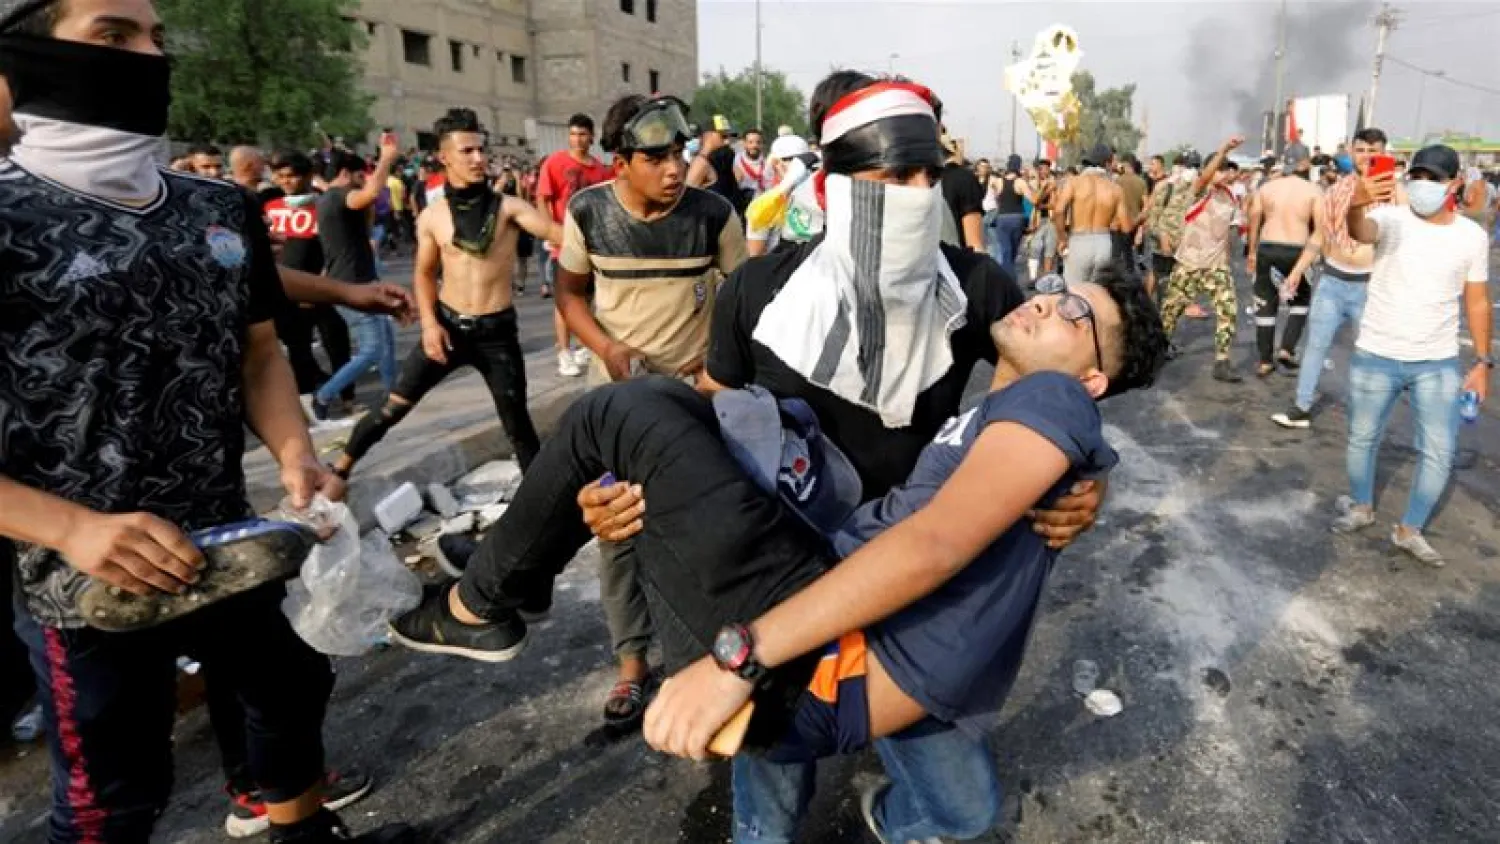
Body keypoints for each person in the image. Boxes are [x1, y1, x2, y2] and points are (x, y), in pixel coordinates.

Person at [384, 262, 1165, 844]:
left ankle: (479, 605)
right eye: (862, 166)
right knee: (635, 415)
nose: (1044, 296)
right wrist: (613, 496)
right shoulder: (759, 286)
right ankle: (489, 598)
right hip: (818, 573)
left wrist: (738, 656)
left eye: (1071, 308)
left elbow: (943, 535)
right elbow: (716, 419)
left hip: (850, 616)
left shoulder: (970, 294)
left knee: (955, 807)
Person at [0, 1, 411, 841]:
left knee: (289, 690)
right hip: (84, 583)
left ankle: (301, 830)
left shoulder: (218, 207)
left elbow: (259, 353)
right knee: (113, 801)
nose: (148, 57)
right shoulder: (9, 217)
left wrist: (296, 454)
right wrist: (73, 529)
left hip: (228, 544)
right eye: (115, 36)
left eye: (156, 39)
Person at [327, 108, 556, 489]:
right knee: (390, 409)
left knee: (517, 425)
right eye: (467, 151)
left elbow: (555, 231)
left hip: (497, 333)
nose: (479, 159)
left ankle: (543, 508)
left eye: (481, 150)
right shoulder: (433, 216)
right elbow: (422, 273)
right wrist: (430, 326)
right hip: (447, 329)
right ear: (445, 156)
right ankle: (339, 471)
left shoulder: (510, 208)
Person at [1330, 144, 1491, 566]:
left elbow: (1477, 301)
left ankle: (1410, 529)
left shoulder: (1471, 237)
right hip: (1375, 355)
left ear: (1454, 183)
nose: (1422, 185)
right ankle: (1362, 507)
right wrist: (1355, 203)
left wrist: (1482, 362)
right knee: (1363, 438)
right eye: (1415, 176)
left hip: (1435, 363)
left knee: (1440, 450)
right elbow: (1359, 231)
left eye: (1433, 178)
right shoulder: (1390, 219)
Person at [1270, 128, 1393, 429]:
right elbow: (1321, 234)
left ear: (1384, 153)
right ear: (1351, 151)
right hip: (1332, 281)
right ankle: (1301, 407)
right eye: (1361, 149)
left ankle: (1363, 416)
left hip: (1369, 285)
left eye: (1373, 150)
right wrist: (1298, 271)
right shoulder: (1337, 190)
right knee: (1315, 347)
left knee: (1367, 355)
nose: (1367, 156)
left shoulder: (1393, 193)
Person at [310, 145, 400, 420]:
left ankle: (395, 395)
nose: (366, 182)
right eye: (362, 176)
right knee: (372, 349)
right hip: (354, 285)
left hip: (359, 280)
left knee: (386, 340)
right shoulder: (338, 197)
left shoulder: (329, 199)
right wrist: (386, 158)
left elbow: (366, 209)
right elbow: (370, 194)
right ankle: (324, 396)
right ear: (346, 174)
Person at [1158, 135, 1248, 383]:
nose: (1225, 175)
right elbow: (1206, 176)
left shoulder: (1229, 198)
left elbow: (1227, 234)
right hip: (1188, 263)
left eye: (1227, 171)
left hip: (1216, 267)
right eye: (1221, 170)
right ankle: (1158, 350)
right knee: (1170, 311)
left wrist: (1227, 261)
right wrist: (1222, 149)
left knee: (1228, 311)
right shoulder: (1198, 191)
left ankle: (1222, 360)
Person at [265, 151, 354, 401]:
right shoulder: (271, 207)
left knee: (336, 344)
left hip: (322, 290)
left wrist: (322, 285)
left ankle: (347, 397)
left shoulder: (324, 206)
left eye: (291, 176)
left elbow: (334, 248)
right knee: (298, 348)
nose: (285, 181)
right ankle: (308, 399)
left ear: (307, 177)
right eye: (280, 176)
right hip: (287, 292)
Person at [535, 112, 613, 377]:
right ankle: (563, 351)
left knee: (588, 299)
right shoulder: (555, 163)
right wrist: (549, 232)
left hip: (591, 245)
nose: (577, 139)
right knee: (565, 301)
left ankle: (582, 346)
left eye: (582, 134)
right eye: (573, 134)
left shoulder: (600, 170)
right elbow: (543, 199)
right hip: (563, 243)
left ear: (592, 136)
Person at [1247, 161, 1322, 376]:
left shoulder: (1267, 188)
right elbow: (1320, 228)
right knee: (1300, 300)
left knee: (1265, 301)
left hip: (1268, 246)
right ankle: (1287, 349)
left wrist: (1252, 251)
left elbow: (1254, 218)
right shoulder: (1313, 190)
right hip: (1298, 248)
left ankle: (1264, 360)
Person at [1054, 143, 1129, 284]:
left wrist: (1062, 238)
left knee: (1074, 294)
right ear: (1107, 163)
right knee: (1098, 295)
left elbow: (1058, 211)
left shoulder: (1074, 182)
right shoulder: (1115, 188)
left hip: (1079, 240)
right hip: (1104, 242)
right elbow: (1126, 227)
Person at [939, 133, 985, 251]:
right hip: (954, 259)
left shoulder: (913, 179)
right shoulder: (965, 179)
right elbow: (974, 243)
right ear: (955, 150)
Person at [989, 154, 1031, 276]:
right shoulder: (1020, 182)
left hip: (1002, 217)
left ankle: (1006, 278)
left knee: (1005, 251)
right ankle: (1010, 279)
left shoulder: (998, 182)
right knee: (1012, 252)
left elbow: (996, 199)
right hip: (1017, 218)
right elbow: (1033, 200)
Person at [1026, 158, 1059, 278]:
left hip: (1051, 220)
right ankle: (1032, 278)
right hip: (1037, 220)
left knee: (1050, 250)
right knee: (1034, 248)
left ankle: (1046, 277)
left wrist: (1042, 204)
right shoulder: (1034, 183)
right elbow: (1035, 200)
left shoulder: (1054, 182)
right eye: (1040, 169)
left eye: (1045, 168)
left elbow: (1055, 204)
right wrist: (1046, 189)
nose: (1042, 171)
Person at [734, 127, 772, 207]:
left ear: (762, 144)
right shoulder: (736, 162)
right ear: (744, 144)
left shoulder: (767, 164)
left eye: (758, 142)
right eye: (750, 142)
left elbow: (770, 187)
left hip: (761, 205)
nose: (755, 145)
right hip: (741, 203)